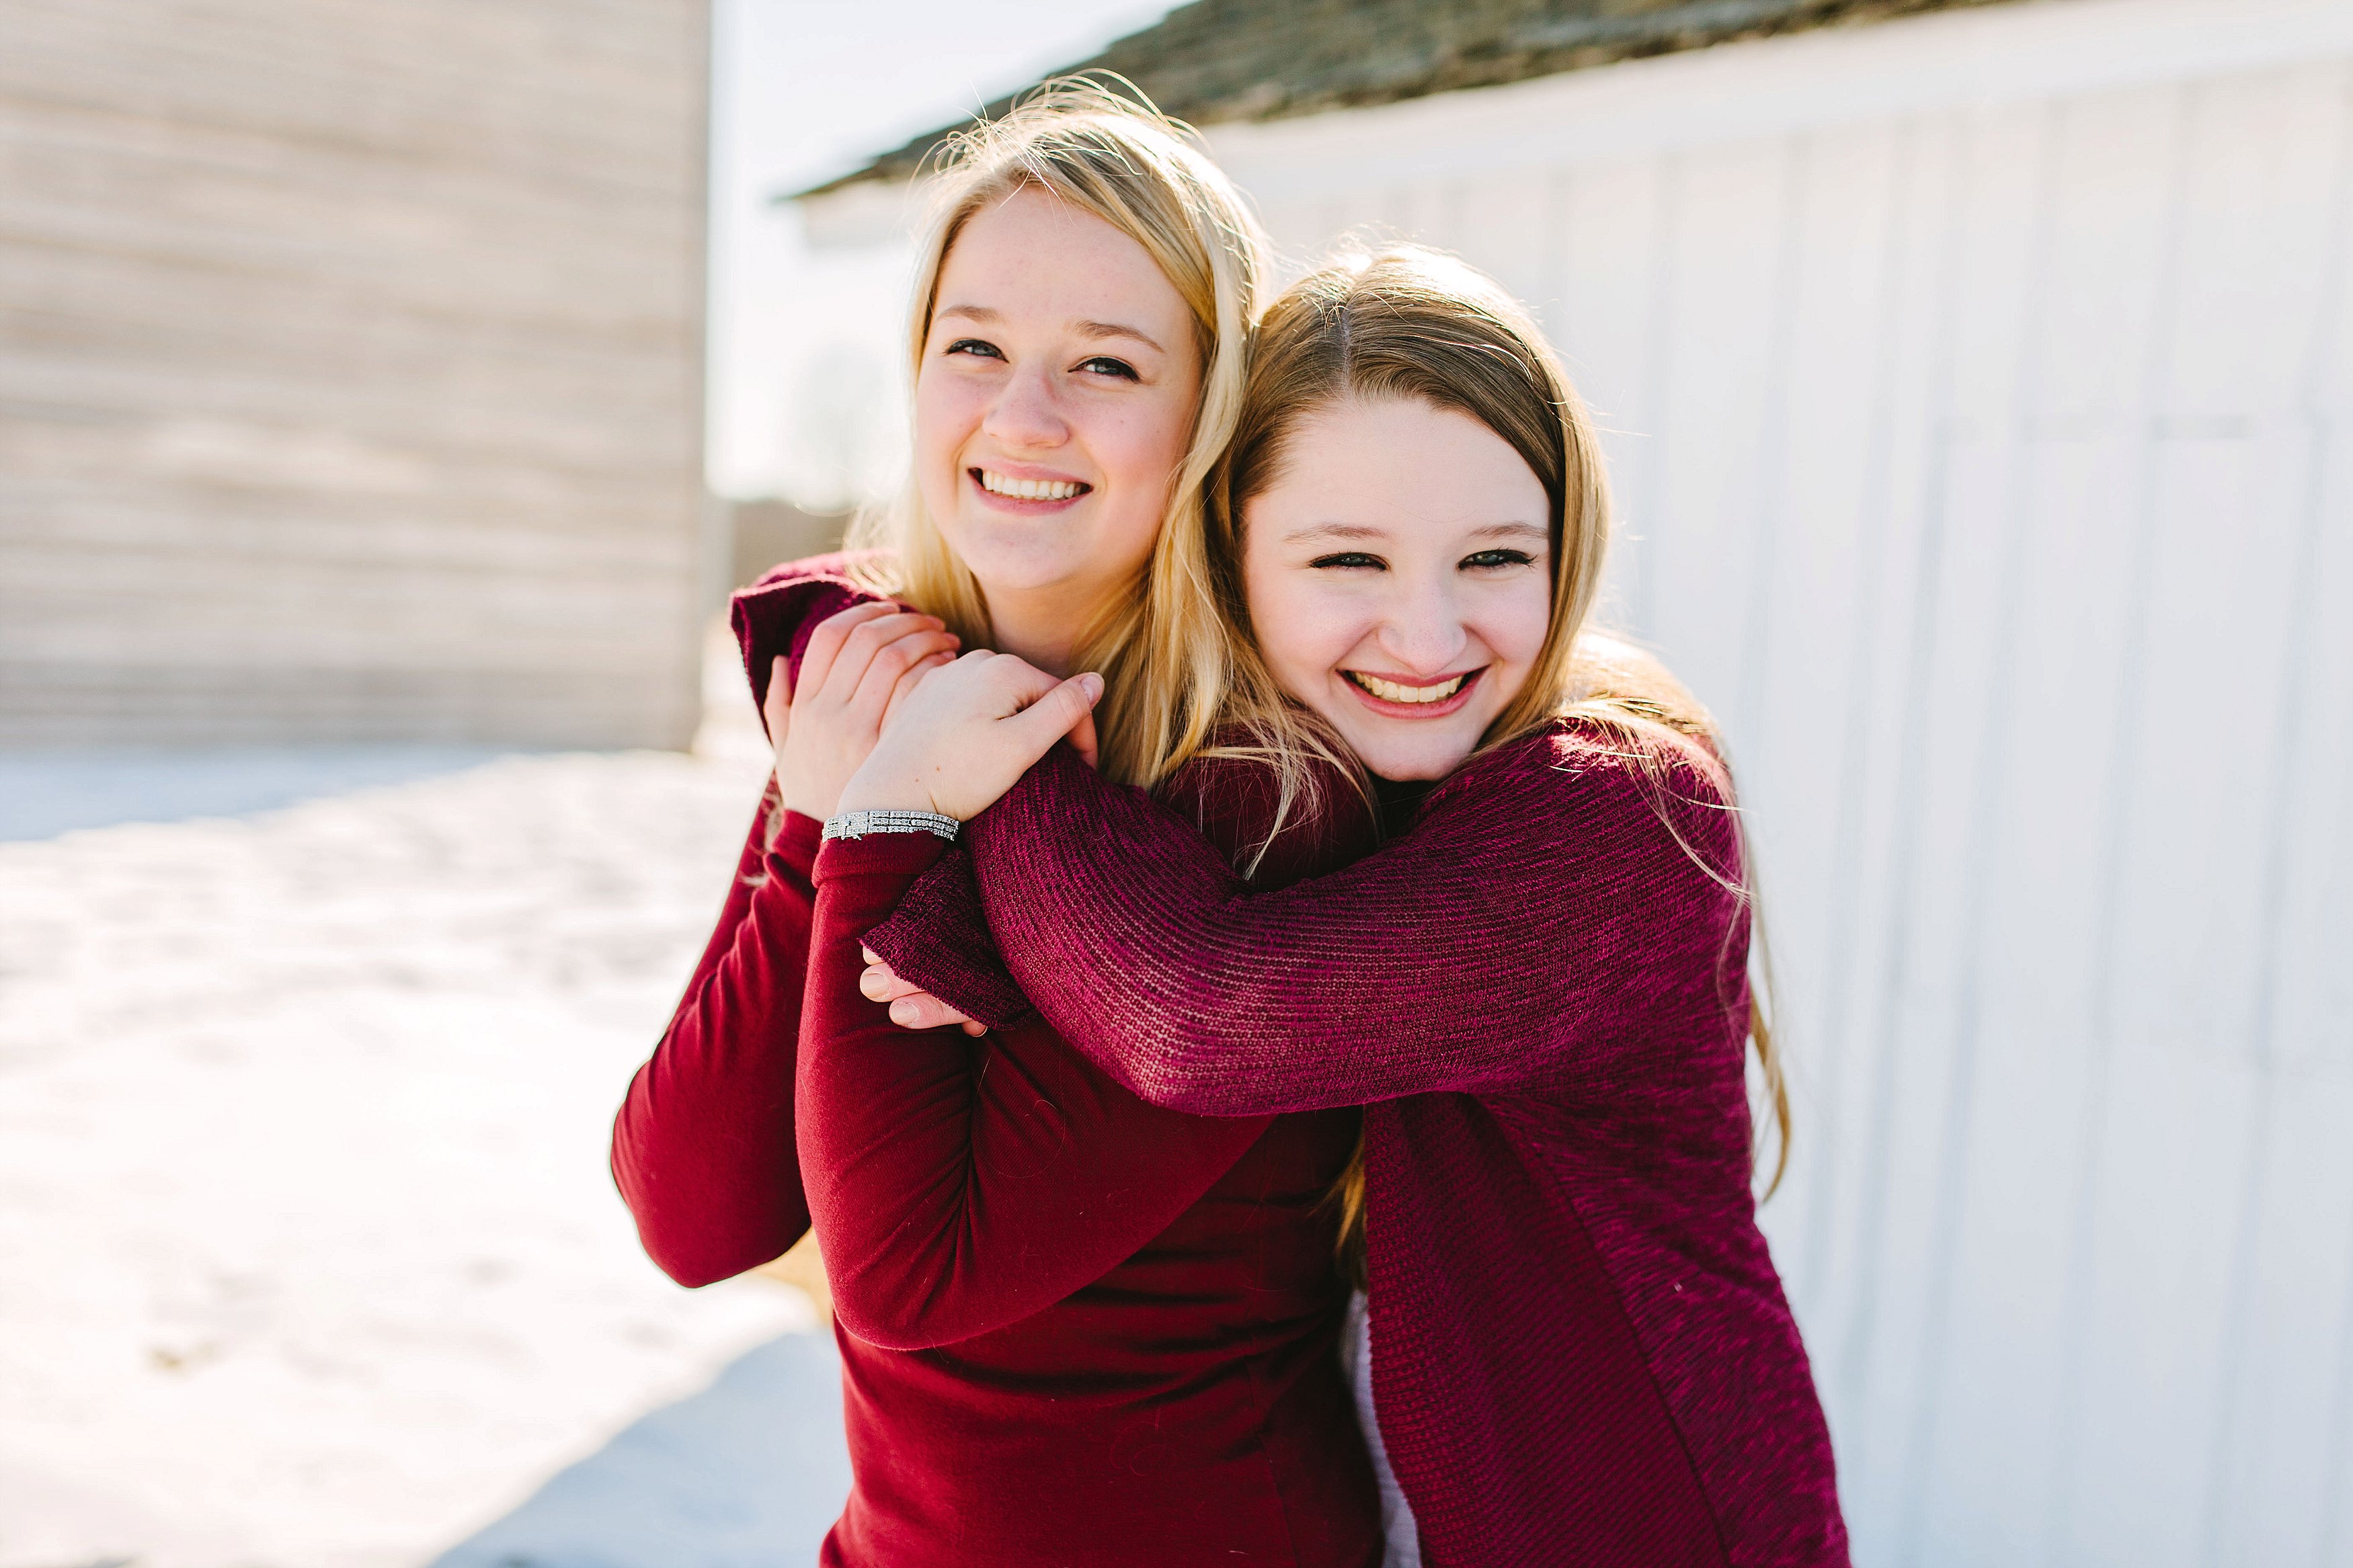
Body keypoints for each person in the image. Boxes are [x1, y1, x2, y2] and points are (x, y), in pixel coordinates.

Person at [840, 247, 1849, 1566]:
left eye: (1492, 557)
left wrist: (984, 724)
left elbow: (1201, 1014)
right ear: (1231, 561)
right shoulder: (1370, 785)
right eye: (1347, 561)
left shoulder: (1614, 809)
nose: (1427, 640)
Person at [610, 84, 1387, 1566]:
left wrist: (887, 819)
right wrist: (813, 823)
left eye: (1106, 363)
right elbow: (692, 1214)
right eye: (974, 345)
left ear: (1210, 419)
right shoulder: (869, 685)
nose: (1020, 418)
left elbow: (917, 1273)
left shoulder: (1272, 801)